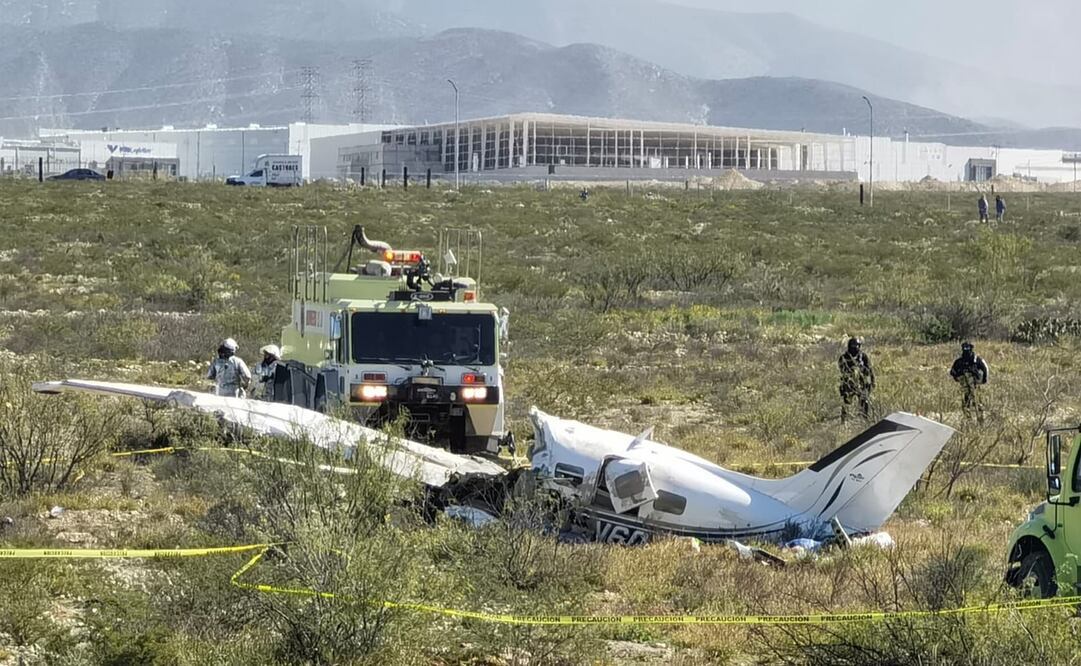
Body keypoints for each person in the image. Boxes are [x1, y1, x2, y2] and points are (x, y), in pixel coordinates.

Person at [950, 342, 989, 422]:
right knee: (966, 403)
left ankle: (981, 420)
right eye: (965, 348)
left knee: (977, 402)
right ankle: (968, 420)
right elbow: (952, 371)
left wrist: (984, 379)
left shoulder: (976, 360)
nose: (966, 350)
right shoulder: (959, 361)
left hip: (975, 386)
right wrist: (957, 376)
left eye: (968, 348)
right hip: (965, 387)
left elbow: (985, 369)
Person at [838, 337, 875, 422]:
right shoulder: (844, 357)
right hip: (849, 383)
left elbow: (870, 369)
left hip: (861, 383)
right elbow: (841, 369)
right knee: (846, 402)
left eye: (857, 345)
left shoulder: (863, 356)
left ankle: (865, 419)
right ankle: (843, 421)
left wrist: (872, 381)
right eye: (853, 345)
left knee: (864, 401)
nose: (855, 347)